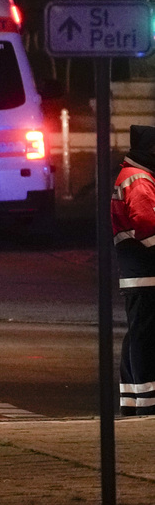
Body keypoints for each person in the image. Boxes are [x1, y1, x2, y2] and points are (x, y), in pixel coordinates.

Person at [115, 125, 155, 415]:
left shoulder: (133, 175)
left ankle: (132, 398)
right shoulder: (140, 179)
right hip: (145, 270)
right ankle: (147, 401)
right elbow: (146, 222)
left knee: (137, 333)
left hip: (136, 270)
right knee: (145, 335)